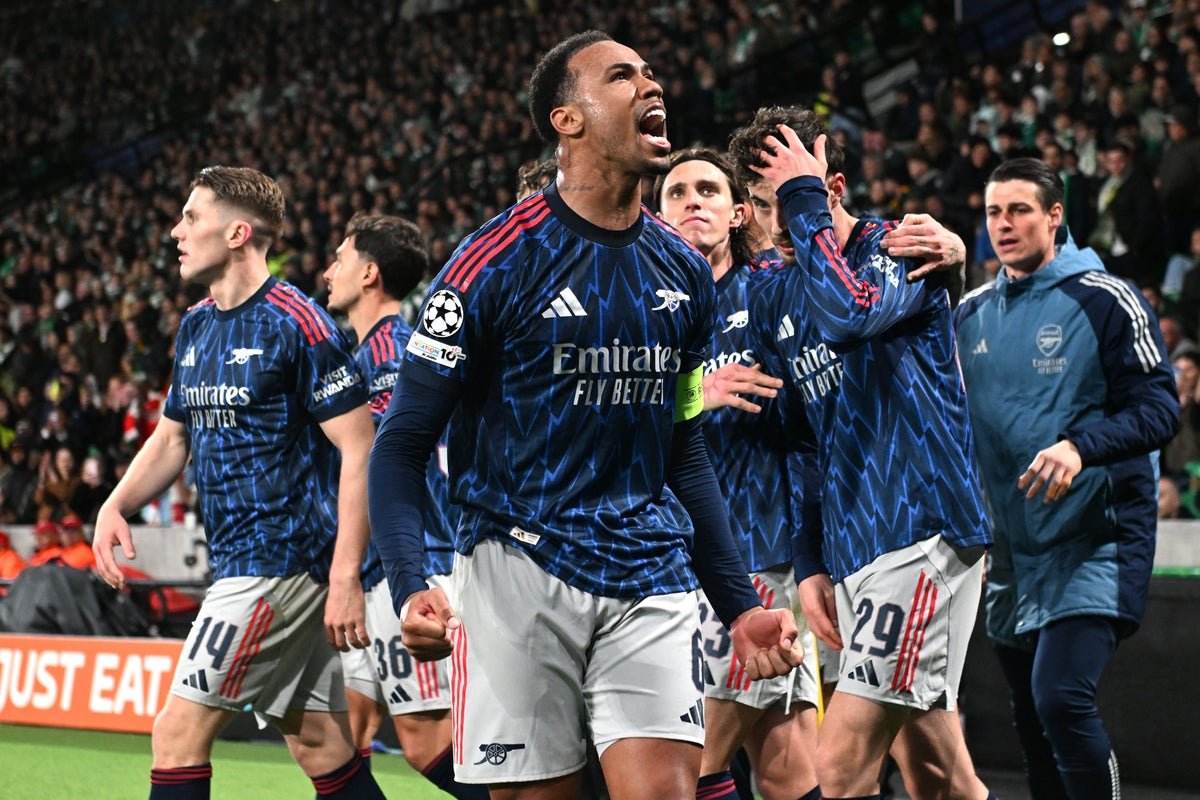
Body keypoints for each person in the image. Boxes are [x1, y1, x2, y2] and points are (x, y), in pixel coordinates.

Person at [368, 31, 801, 800]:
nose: (650, 84)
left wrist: (738, 606)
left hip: (650, 568)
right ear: (566, 121)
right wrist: (409, 584)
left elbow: (682, 452)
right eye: (622, 76)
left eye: (651, 73)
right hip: (516, 568)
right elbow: (399, 445)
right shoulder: (491, 262)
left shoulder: (681, 271)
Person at [91, 166, 385, 800]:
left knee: (176, 734)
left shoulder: (297, 323)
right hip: (243, 562)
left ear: (237, 234)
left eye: (191, 217)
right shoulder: (197, 324)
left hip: (279, 561)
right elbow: (173, 438)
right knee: (319, 743)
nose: (176, 232)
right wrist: (115, 504)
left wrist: (345, 577)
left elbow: (360, 447)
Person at [730, 105, 995, 800]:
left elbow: (850, 314)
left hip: (922, 532)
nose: (777, 224)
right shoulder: (776, 295)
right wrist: (811, 560)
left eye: (790, 199)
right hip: (853, 548)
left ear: (833, 189)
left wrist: (803, 202)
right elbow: (800, 439)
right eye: (763, 204)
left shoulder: (901, 246)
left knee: (839, 763)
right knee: (940, 774)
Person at [955, 157, 1178, 799]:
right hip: (1012, 553)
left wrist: (1081, 446)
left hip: (1095, 539)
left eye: (1019, 210)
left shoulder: (1107, 298)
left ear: (1055, 216)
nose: (1003, 224)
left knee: (1060, 697)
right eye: (993, 212)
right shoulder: (969, 314)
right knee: (1032, 721)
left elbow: (1161, 409)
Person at [653, 147, 819, 800]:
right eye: (676, 193)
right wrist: (701, 391)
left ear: (738, 213)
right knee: (784, 768)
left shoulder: (771, 288)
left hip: (760, 556)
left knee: (693, 763)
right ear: (657, 217)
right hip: (677, 559)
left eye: (708, 190)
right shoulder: (649, 313)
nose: (692, 200)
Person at [324, 212, 486, 800]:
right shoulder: (367, 353)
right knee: (346, 730)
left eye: (339, 259)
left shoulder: (393, 353)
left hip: (414, 566)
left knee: (426, 742)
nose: (328, 272)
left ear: (369, 273)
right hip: (377, 570)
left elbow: (396, 464)